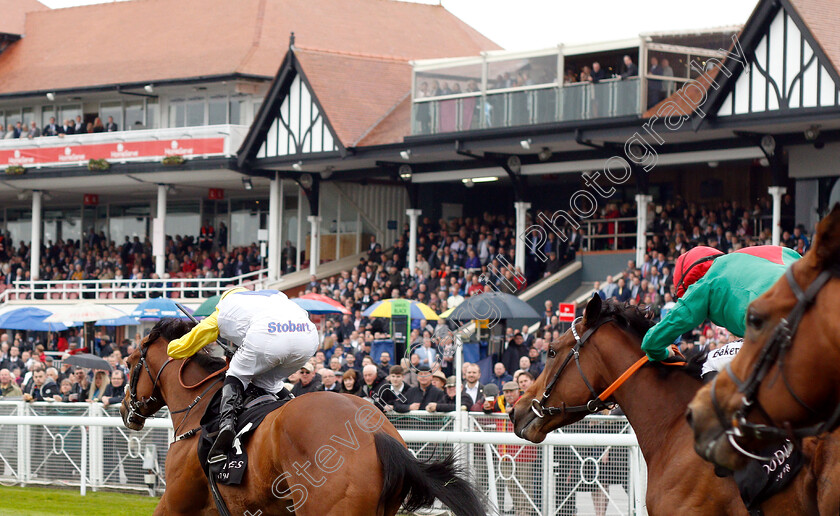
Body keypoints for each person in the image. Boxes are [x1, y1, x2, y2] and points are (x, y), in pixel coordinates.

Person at [167, 286, 319, 462]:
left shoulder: (224, 308)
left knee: (236, 374)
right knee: (270, 384)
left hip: (268, 337)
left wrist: (171, 348)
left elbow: (186, 345)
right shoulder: (274, 296)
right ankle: (294, 406)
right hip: (308, 338)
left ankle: (226, 427)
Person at [641, 245, 801, 361]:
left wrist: (665, 353)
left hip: (781, 331)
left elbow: (651, 343)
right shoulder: (761, 251)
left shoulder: (705, 282)